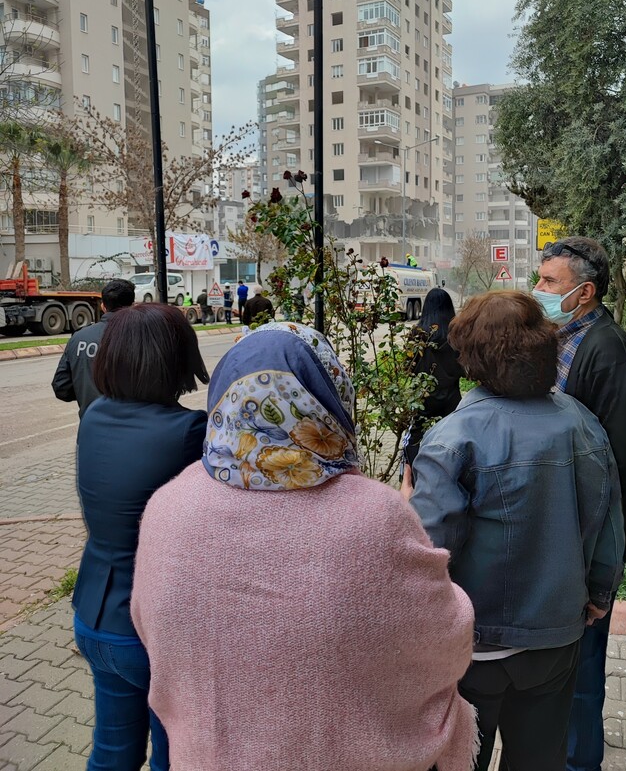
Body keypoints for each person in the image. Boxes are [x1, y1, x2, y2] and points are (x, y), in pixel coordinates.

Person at [131, 322, 479, 771]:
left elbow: (151, 628)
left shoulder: (169, 505)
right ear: (330, 395)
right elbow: (444, 638)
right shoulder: (375, 515)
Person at [405, 291, 625, 771]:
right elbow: (608, 523)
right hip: (556, 637)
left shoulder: (453, 437)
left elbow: (427, 553)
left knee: (460, 761)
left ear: (472, 356)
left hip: (474, 646)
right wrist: (600, 593)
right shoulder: (582, 423)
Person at [72, 303, 208, 771]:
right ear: (176, 359)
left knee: (112, 753)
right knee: (172, 758)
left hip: (94, 615)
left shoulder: (93, 417)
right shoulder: (190, 430)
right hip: (152, 628)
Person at [533, 237, 626, 771]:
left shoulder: (607, 348)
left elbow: (620, 461)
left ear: (585, 293)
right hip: (561, 527)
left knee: (582, 672)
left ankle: (581, 763)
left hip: (589, 535)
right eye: (540, 279)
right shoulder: (560, 337)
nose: (540, 290)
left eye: (551, 282)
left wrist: (609, 554)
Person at [402, 287, 466, 473]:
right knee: (453, 438)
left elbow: (408, 367)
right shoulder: (456, 335)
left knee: (414, 439)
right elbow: (465, 368)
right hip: (452, 398)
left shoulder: (417, 334)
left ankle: (411, 477)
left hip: (423, 398)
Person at [52, 278, 135, 418]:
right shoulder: (143, 337)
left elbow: (62, 388)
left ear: (103, 306)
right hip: (133, 429)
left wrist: (87, 393)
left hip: (90, 430)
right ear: (132, 305)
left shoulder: (79, 337)